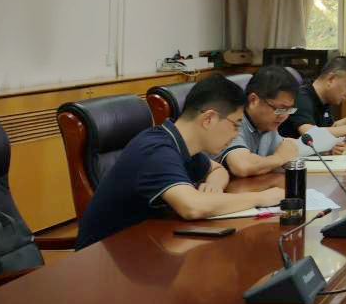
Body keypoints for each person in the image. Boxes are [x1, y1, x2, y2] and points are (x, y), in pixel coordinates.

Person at [75, 75, 285, 249]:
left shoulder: (180, 143)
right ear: (208, 119)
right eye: (235, 124)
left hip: (143, 247)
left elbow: (217, 169)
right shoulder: (156, 149)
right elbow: (192, 206)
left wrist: (213, 185)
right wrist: (261, 197)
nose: (235, 134)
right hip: (103, 261)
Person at [219, 66, 301, 178]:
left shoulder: (266, 124)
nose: (284, 116)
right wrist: (280, 158)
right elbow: (242, 166)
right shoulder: (232, 122)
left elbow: (284, 147)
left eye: (288, 110)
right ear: (253, 100)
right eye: (280, 109)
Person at [279, 55, 346, 141]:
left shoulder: (323, 99)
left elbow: (331, 127)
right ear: (331, 79)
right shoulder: (301, 97)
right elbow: (309, 133)